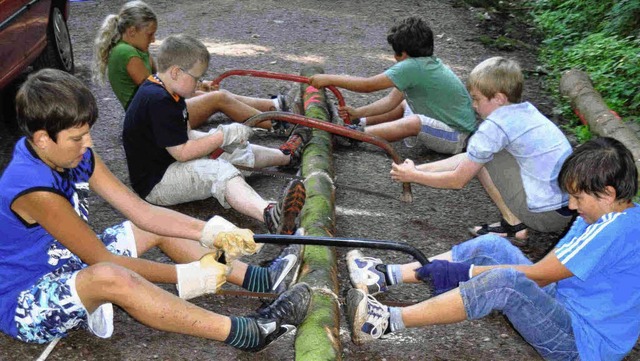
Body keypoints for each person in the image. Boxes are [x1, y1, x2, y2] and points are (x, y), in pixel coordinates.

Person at [0, 68, 312, 351]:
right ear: (42, 139)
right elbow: (102, 259)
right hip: (27, 301)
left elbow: (142, 212)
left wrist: (211, 233)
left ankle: (260, 279)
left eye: (88, 133)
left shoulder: (72, 152)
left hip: (67, 265)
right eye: (77, 137)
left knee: (149, 228)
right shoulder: (33, 189)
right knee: (111, 276)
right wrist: (188, 274)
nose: (88, 144)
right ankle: (248, 331)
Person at [345, 137, 640, 360]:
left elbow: (537, 277)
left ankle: (382, 322)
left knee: (506, 283)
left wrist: (463, 271)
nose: (572, 205)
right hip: (565, 308)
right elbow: (550, 268)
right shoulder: (604, 215)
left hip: (582, 343)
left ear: (608, 194)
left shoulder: (616, 229)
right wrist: (465, 270)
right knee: (490, 245)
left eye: (577, 196)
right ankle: (383, 276)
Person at [122, 34, 310, 236]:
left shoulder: (168, 90)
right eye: (196, 78)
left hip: (168, 163)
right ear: (176, 72)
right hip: (157, 182)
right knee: (218, 170)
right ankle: (269, 214)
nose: (199, 83)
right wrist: (221, 136)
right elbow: (182, 153)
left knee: (229, 149)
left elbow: (185, 134)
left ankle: (286, 156)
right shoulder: (159, 101)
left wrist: (221, 139)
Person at [389, 57, 574, 241]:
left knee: (485, 156)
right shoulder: (526, 112)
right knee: (483, 154)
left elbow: (457, 180)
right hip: (568, 208)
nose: (473, 105)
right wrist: (417, 169)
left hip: (545, 217)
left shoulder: (495, 127)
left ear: (499, 98)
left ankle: (514, 223)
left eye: (477, 99)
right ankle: (514, 221)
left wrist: (413, 176)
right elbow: (469, 158)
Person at [92, 0, 290, 131]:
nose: (153, 40)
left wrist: (196, 86)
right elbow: (155, 90)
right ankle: (275, 124)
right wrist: (193, 88)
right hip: (151, 122)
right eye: (150, 34)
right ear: (133, 31)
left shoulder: (134, 48)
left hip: (156, 111)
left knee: (216, 95)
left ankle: (274, 106)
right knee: (218, 98)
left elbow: (163, 81)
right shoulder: (126, 53)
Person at [309, 15, 476, 155]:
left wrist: (329, 79)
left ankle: (354, 135)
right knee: (403, 103)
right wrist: (358, 113)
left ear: (402, 53)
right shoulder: (425, 65)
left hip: (456, 137)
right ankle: (360, 122)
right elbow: (391, 101)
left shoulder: (412, 67)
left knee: (415, 122)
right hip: (449, 128)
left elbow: (368, 85)